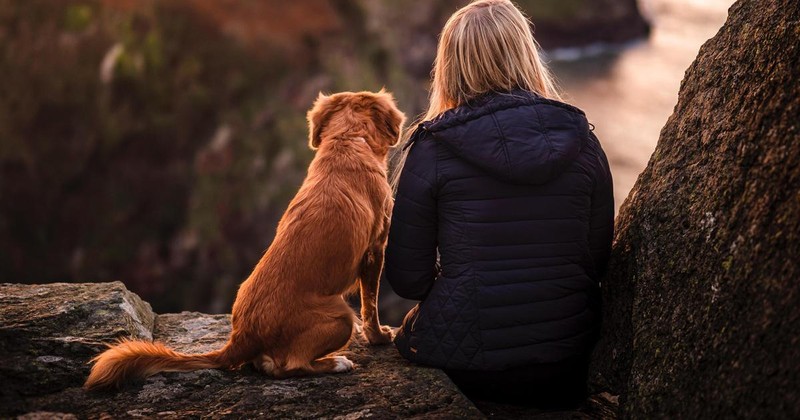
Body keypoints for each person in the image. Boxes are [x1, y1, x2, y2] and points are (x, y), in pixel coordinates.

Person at [383, 0, 614, 409]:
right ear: (526, 53)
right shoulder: (582, 139)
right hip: (568, 360)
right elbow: (594, 262)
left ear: (451, 65)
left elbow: (408, 281)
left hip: (470, 369)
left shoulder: (433, 147)